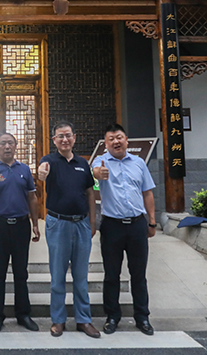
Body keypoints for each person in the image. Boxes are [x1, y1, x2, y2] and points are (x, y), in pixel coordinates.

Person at [91, 123, 156, 336]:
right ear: (106, 143)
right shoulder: (100, 162)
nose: (116, 142)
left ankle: (142, 317)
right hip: (112, 226)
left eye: (119, 137)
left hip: (137, 224)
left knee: (139, 274)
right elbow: (93, 177)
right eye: (111, 139)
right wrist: (97, 174)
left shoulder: (139, 163)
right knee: (112, 275)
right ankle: (112, 316)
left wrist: (152, 221)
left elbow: (147, 193)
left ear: (126, 140)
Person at [38, 121, 99, 339]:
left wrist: (92, 223)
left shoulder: (83, 163)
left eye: (68, 135)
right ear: (54, 140)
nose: (64, 139)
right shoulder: (49, 161)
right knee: (58, 275)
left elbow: (90, 193)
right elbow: (42, 173)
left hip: (81, 223)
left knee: (81, 276)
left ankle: (84, 320)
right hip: (58, 224)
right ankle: (58, 320)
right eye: (60, 136)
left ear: (74, 137)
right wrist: (41, 173)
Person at [0, 132, 40, 333]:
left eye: (10, 143)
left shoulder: (24, 169)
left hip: (21, 226)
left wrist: (35, 223)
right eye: (3, 143)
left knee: (21, 273)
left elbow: (32, 197)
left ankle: (23, 314)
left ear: (15, 146)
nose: (7, 146)